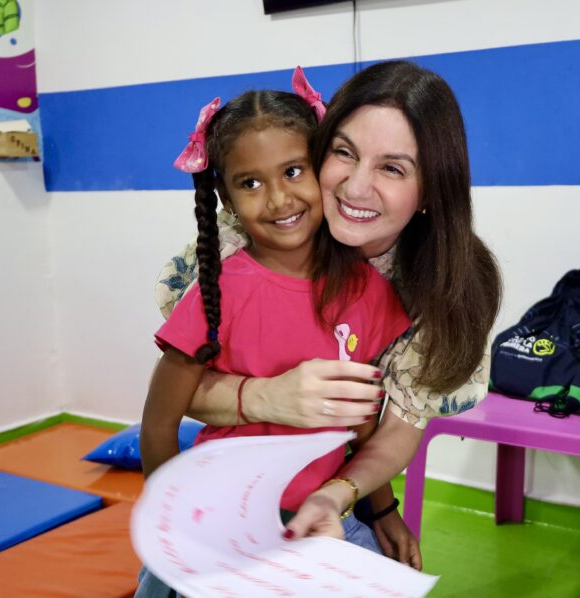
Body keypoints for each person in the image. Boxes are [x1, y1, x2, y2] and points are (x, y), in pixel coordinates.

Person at [156, 60, 502, 571]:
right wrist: (262, 397)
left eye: (393, 167)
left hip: (322, 491)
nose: (355, 189)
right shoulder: (250, 244)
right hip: (230, 492)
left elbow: (392, 427)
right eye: (344, 153)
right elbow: (178, 389)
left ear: (430, 190)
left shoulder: (441, 291)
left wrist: (365, 500)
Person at [137, 84, 412, 596]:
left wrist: (383, 511)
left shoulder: (368, 291)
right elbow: (158, 421)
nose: (279, 199)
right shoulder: (219, 290)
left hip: (320, 521)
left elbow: (364, 427)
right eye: (250, 183)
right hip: (222, 527)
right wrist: (172, 524)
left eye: (292, 171)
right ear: (226, 199)